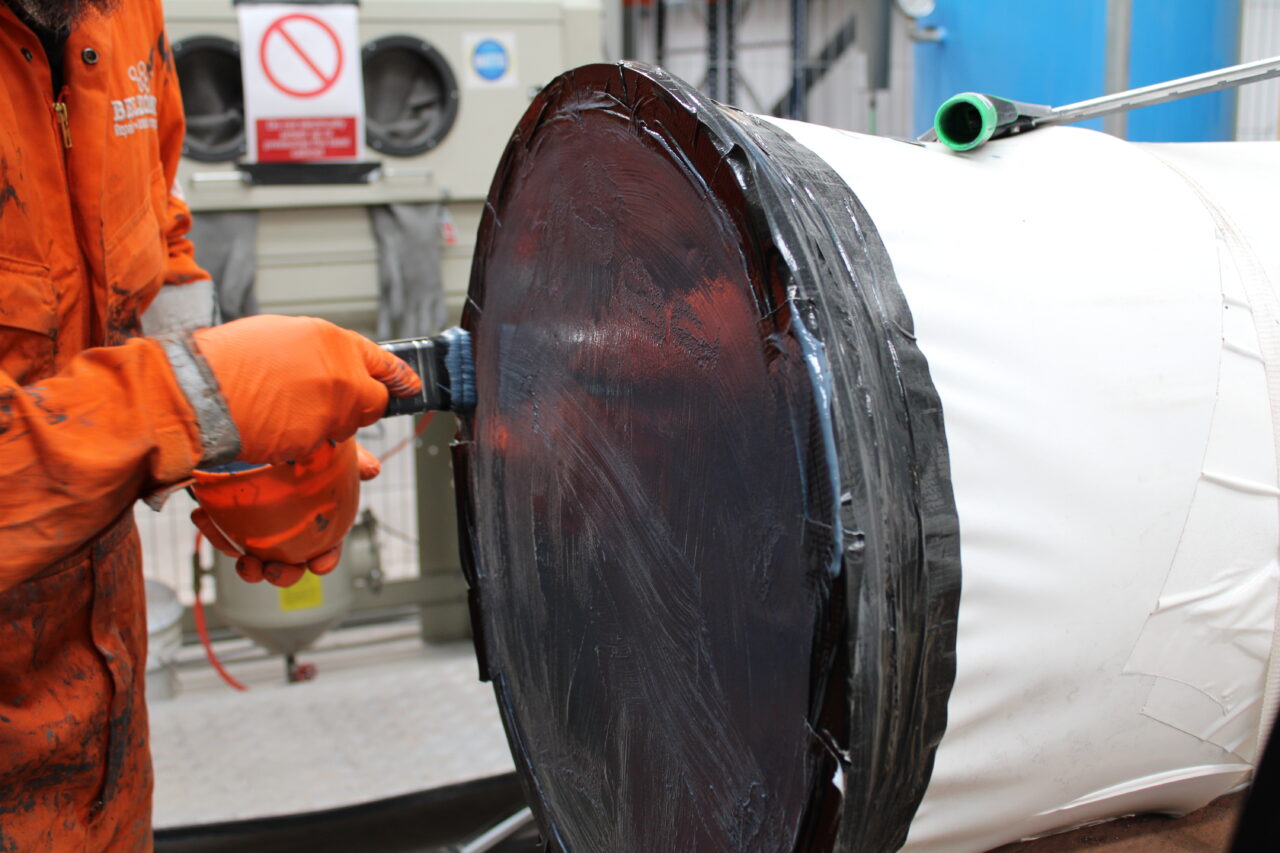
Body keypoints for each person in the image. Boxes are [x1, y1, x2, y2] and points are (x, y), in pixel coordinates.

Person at [0, 0, 422, 848]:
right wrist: (195, 400)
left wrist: (231, 449)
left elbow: (154, 231)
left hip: (99, 723)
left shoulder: (123, 17)